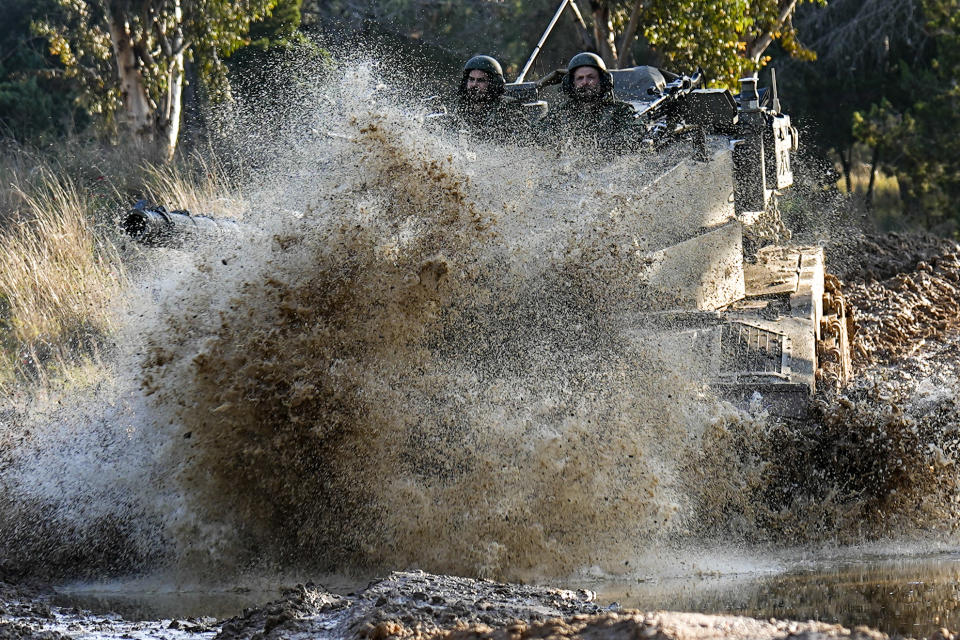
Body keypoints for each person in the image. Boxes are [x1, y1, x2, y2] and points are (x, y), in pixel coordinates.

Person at [538, 52, 639, 153]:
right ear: (571, 84)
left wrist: (612, 143)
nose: (585, 82)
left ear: (603, 80)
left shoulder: (620, 111)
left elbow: (636, 134)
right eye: (580, 78)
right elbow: (536, 136)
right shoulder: (561, 113)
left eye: (590, 77)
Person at [451, 55, 525, 142]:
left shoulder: (508, 108)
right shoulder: (460, 106)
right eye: (471, 79)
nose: (474, 85)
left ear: (493, 84)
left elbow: (522, 139)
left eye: (481, 80)